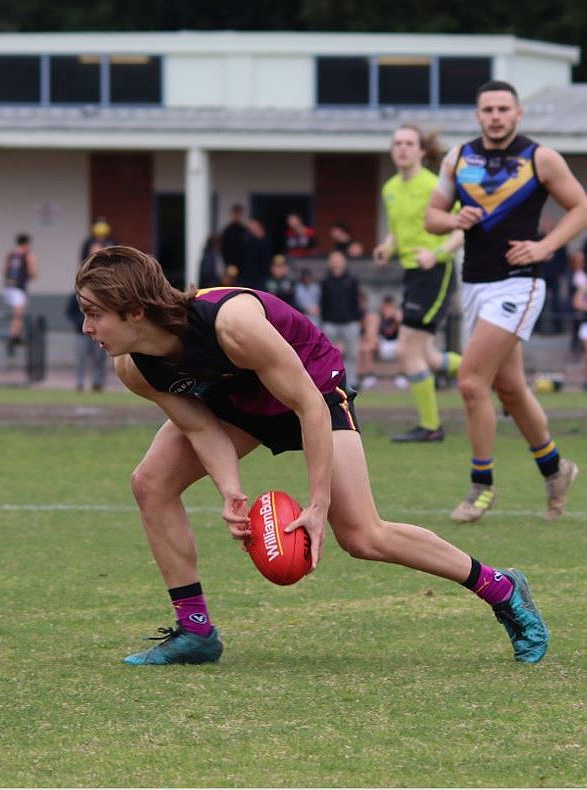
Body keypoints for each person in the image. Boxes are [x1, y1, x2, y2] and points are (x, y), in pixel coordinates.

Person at [73, 245, 548, 668]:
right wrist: (231, 490)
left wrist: (317, 505)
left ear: (135, 311)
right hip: (240, 405)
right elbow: (199, 425)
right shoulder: (133, 368)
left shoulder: (232, 324)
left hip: (313, 393)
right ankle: (195, 630)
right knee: (151, 483)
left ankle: (500, 587)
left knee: (362, 536)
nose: (86, 327)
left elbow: (308, 406)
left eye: (94, 314)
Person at [425, 80, 587, 522]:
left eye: (503, 109)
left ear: (518, 114)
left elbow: (580, 206)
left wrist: (546, 246)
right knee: (511, 389)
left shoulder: (541, 158)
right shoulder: (459, 158)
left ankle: (481, 486)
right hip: (475, 284)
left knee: (472, 382)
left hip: (520, 284)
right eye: (488, 109)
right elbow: (432, 217)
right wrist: (452, 218)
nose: (495, 116)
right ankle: (556, 470)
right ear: (478, 115)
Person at [372, 123, 466, 443]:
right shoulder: (390, 188)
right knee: (429, 358)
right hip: (412, 274)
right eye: (397, 142)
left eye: (409, 143)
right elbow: (398, 231)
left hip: (436, 273)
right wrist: (387, 248)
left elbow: (461, 227)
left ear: (421, 151)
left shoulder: (434, 186)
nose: (402, 148)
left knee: (406, 349)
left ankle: (430, 427)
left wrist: (437, 253)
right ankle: (489, 375)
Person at [319, 251, 363, 385]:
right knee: (330, 355)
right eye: (334, 259)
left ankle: (352, 383)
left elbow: (356, 302)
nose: (337, 262)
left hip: (350, 322)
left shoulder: (352, 280)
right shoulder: (325, 281)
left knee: (351, 354)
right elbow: (323, 303)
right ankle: (332, 382)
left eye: (339, 259)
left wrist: (358, 320)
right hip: (330, 323)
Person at [2, 233, 38, 355]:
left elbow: (4, 270)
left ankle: (15, 336)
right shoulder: (27, 255)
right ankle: (13, 338)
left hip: (8, 286)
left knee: (17, 313)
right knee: (18, 314)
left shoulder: (11, 254)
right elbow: (33, 273)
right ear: (26, 243)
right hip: (19, 287)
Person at [67, 292, 108, 392]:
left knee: (99, 358)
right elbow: (70, 312)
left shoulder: (101, 296)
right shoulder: (76, 297)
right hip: (80, 333)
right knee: (81, 359)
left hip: (98, 332)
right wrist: (80, 323)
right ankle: (79, 382)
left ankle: (97, 382)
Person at [238, 218, 272, 290]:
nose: (250, 226)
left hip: (262, 276)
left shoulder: (266, 241)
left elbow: (266, 259)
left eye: (252, 224)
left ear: (259, 225)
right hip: (248, 276)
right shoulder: (247, 239)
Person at [218, 204, 248, 281]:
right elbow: (224, 249)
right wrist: (228, 264)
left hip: (244, 266)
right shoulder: (227, 231)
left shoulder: (244, 230)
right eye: (236, 213)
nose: (238, 216)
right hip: (231, 265)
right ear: (232, 214)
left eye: (239, 214)